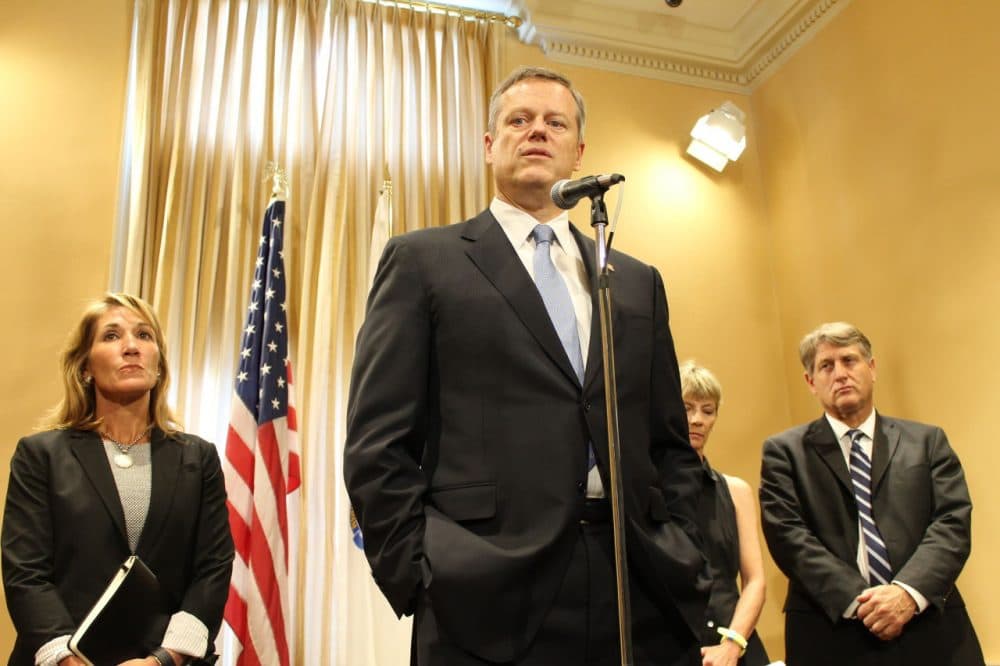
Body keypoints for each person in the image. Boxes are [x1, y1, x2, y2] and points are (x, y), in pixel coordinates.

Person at [344, 66, 710, 665]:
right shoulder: (423, 261)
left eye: (554, 122)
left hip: (636, 584)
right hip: (482, 589)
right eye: (519, 120)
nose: (537, 131)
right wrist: (419, 570)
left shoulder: (638, 281)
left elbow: (668, 441)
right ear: (490, 145)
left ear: (578, 151)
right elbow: (377, 440)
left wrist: (684, 547)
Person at [2, 293, 234, 666]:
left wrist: (164, 659)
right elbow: (26, 573)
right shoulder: (40, 455)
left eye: (144, 335)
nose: (131, 347)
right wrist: (67, 659)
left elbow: (213, 569)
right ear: (85, 367)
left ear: (158, 364)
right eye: (111, 336)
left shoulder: (198, 457)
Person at [759, 322, 984, 665]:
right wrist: (865, 603)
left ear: (872, 368)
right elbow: (788, 535)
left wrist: (905, 595)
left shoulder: (927, 442)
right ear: (810, 382)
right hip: (833, 631)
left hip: (931, 627)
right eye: (826, 366)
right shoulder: (784, 453)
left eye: (850, 361)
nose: (841, 374)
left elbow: (952, 522)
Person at [680, 362, 769, 666]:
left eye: (708, 410)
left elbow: (755, 580)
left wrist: (733, 643)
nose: (697, 420)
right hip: (673, 646)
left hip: (736, 643)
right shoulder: (646, 490)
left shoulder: (736, 491)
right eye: (687, 408)